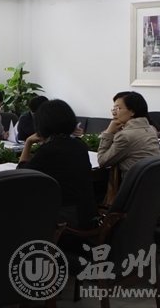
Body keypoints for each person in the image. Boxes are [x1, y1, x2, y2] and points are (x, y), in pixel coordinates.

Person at [17, 99, 97, 244]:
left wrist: (28, 142)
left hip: (65, 225)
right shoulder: (79, 145)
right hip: (86, 219)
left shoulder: (50, 150)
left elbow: (21, 174)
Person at [97, 91, 160, 176]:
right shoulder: (151, 129)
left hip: (132, 182)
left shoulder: (125, 136)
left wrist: (108, 133)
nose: (113, 113)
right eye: (114, 109)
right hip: (151, 181)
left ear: (132, 111)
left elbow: (102, 161)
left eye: (118, 108)